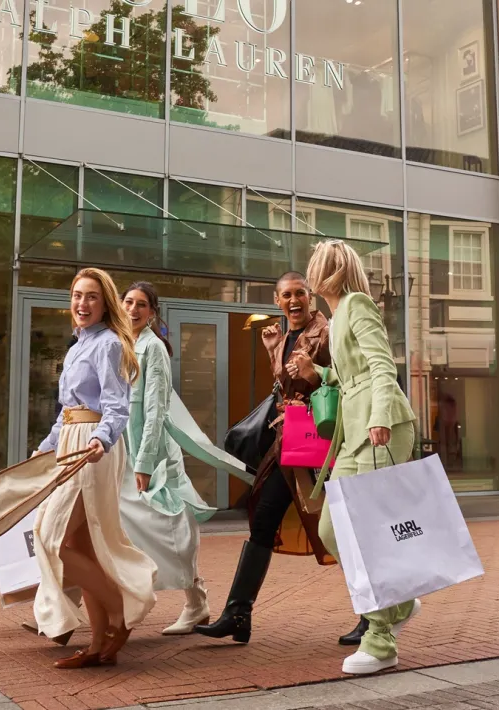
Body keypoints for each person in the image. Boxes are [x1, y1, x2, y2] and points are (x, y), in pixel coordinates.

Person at [194, 271, 365, 645]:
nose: (294, 301)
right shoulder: (284, 336)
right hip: (289, 444)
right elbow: (285, 387)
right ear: (276, 300)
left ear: (311, 297)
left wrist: (315, 378)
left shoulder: (329, 332)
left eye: (300, 293)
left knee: (343, 529)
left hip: (319, 443)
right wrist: (275, 352)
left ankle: (372, 615)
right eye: (286, 295)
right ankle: (238, 613)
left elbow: (343, 381)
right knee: (263, 518)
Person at [32, 267, 157, 669]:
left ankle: (119, 615)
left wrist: (100, 441)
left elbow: (116, 404)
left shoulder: (108, 345)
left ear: (104, 304)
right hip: (72, 442)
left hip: (93, 448)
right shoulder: (75, 348)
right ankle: (99, 644)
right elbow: (66, 413)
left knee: (54, 538)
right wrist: (44, 449)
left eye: (91, 297)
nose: (81, 303)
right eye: (76, 295)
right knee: (82, 546)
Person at [305, 240, 420, 676]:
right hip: (356, 432)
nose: (311, 271)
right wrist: (320, 373)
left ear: (327, 271)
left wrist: (380, 418)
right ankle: (401, 602)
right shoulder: (338, 316)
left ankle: (380, 638)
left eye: (316, 265)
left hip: (379, 426)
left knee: (371, 533)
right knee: (332, 529)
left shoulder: (355, 304)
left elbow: (381, 366)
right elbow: (352, 371)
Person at [118, 282, 215, 634]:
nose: (132, 309)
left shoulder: (153, 348)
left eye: (141, 305)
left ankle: (195, 600)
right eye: (127, 302)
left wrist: (143, 462)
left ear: (151, 312)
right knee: (124, 526)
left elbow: (156, 409)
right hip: (121, 450)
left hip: (152, 455)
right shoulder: (118, 344)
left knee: (169, 526)